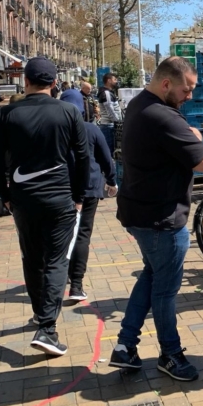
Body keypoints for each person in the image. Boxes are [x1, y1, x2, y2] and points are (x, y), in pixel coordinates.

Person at [109, 57, 203, 382]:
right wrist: (195, 135)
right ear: (166, 83)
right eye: (187, 89)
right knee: (164, 292)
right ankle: (171, 355)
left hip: (139, 211)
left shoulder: (140, 104)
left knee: (151, 277)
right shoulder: (163, 116)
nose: (190, 96)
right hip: (162, 219)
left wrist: (188, 133)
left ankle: (125, 346)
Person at [0, 57, 90, 357]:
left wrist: (4, 193)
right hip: (60, 198)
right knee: (57, 260)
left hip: (23, 200)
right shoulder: (70, 112)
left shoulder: (7, 114)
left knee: (32, 257)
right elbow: (83, 158)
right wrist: (80, 195)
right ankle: (47, 327)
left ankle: (39, 315)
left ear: (26, 81)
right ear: (55, 83)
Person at [60, 89, 119, 303]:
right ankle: (76, 284)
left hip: (61, 189)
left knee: (60, 235)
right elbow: (106, 158)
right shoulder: (90, 129)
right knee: (82, 234)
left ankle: (59, 278)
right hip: (89, 187)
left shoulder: (55, 130)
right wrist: (112, 181)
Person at [97, 72, 122, 155]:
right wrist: (118, 122)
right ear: (109, 81)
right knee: (109, 151)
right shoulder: (106, 93)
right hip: (109, 126)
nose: (116, 81)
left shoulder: (108, 92)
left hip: (109, 125)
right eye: (114, 79)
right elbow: (110, 110)